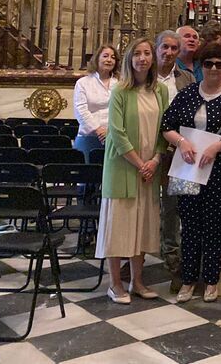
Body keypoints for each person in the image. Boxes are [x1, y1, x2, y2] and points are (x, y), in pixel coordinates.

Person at [161, 42, 221, 303]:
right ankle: (189, 279)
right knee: (189, 225)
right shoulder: (188, 93)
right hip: (188, 167)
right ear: (201, 67)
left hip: (219, 170)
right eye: (208, 64)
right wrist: (181, 142)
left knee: (213, 226)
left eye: (219, 64)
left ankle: (212, 279)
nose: (213, 68)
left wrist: (217, 147)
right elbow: (167, 125)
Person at [96, 38, 168, 304]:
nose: (142, 58)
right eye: (137, 53)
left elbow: (164, 129)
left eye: (147, 53)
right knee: (120, 227)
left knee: (142, 227)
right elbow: (116, 132)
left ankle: (137, 281)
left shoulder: (160, 91)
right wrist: (140, 163)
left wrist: (156, 160)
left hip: (150, 169)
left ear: (153, 59)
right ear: (129, 59)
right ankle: (115, 284)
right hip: (124, 168)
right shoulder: (120, 91)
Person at [154, 31, 195, 292]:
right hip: (148, 149)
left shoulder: (187, 78)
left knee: (174, 206)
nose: (169, 52)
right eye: (164, 47)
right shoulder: (143, 77)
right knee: (142, 204)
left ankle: (173, 260)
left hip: (177, 149)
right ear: (156, 48)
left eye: (173, 48)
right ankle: (131, 256)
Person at [72, 44, 119, 161]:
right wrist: (98, 129)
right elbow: (81, 110)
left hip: (114, 137)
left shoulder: (120, 84)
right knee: (87, 177)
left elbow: (123, 111)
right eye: (105, 56)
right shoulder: (83, 83)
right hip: (89, 137)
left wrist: (110, 131)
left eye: (113, 57)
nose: (109, 60)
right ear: (97, 58)